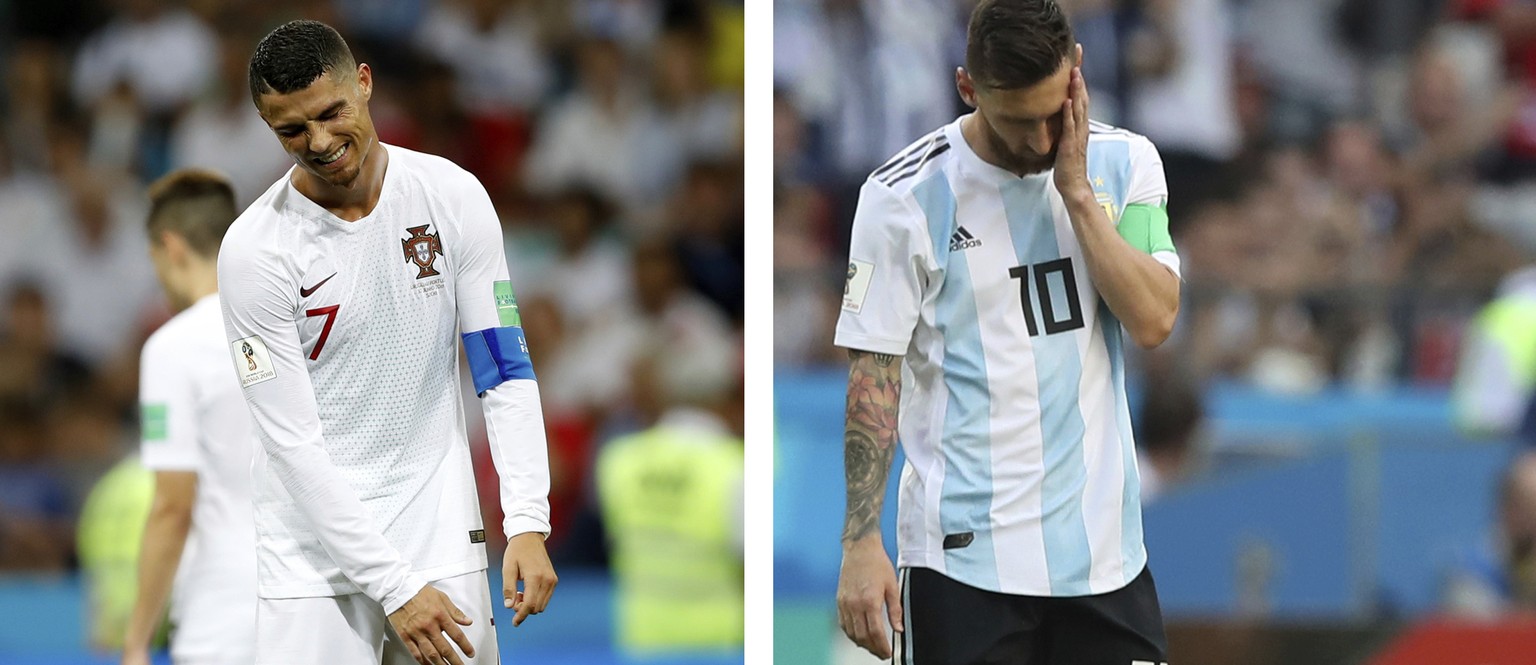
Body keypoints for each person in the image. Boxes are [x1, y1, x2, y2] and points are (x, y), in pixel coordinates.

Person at [832, 1, 1180, 663]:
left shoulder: (1124, 165)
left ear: (1076, 71)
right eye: (1018, 120)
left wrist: (1077, 195)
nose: (1040, 140)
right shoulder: (903, 197)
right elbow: (875, 374)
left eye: (1054, 114)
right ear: (968, 87)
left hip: (1106, 562)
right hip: (963, 567)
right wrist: (859, 542)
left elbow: (1154, 319)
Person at [219, 20, 555, 665]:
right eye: (291, 130)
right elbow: (291, 444)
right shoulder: (254, 251)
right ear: (267, 125)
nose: (318, 142)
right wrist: (395, 586)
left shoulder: (451, 196)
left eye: (330, 113)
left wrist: (527, 520)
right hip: (311, 559)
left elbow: (502, 367)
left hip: (438, 528)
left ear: (365, 84)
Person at [120, 169, 256, 665]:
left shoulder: (172, 348)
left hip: (224, 615)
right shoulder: (292, 328)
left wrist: (137, 639)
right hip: (320, 610)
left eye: (154, 260)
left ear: (171, 248)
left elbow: (173, 506)